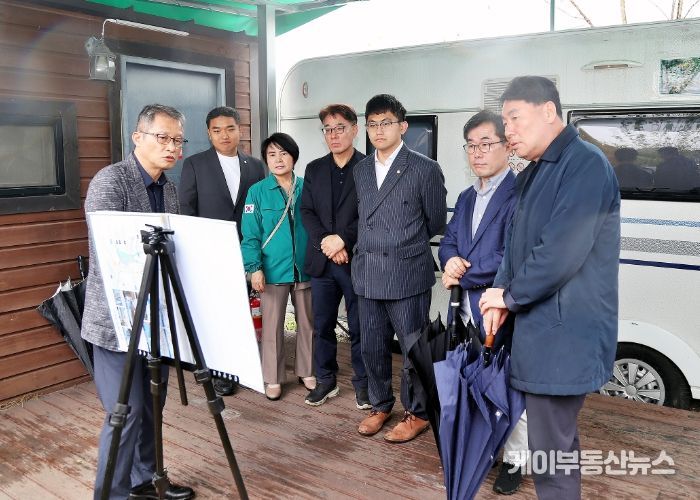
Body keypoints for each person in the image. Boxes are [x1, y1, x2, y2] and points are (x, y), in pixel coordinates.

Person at [479, 76, 620, 500]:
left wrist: (509, 296)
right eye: (505, 121)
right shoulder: (536, 172)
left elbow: (561, 251)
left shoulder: (585, 165)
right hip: (541, 332)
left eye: (514, 117)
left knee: (551, 454)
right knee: (553, 444)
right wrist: (500, 294)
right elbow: (516, 247)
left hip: (564, 335)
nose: (507, 130)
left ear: (548, 111)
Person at [82, 104, 195, 500]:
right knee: (123, 413)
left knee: (151, 407)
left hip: (156, 319)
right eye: (163, 137)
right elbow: (111, 252)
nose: (172, 147)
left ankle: (143, 481)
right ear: (137, 138)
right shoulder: (110, 181)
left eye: (178, 140)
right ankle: (111, 494)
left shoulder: (169, 188)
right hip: (116, 322)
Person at [437, 109, 527, 495]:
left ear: (508, 146)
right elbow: (449, 241)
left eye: (486, 143)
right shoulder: (465, 196)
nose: (478, 152)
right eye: (471, 145)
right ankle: (484, 446)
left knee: (509, 383)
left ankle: (515, 460)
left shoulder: (521, 195)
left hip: (502, 308)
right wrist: (448, 261)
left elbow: (512, 257)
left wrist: (461, 273)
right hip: (464, 309)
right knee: (473, 379)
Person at [352, 94, 447, 443]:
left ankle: (417, 413)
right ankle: (380, 404)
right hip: (367, 272)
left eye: (386, 123)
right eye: (372, 124)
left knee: (412, 349)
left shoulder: (424, 168)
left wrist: (402, 242)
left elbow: (435, 221)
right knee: (371, 346)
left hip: (406, 272)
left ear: (403, 126)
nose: (378, 130)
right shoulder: (361, 170)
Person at [179, 106, 265, 397]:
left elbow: (260, 210)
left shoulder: (255, 166)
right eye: (217, 130)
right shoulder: (195, 164)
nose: (224, 135)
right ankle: (218, 372)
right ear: (209, 133)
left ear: (240, 130)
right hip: (209, 251)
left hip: (245, 250)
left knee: (241, 311)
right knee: (213, 314)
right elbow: (186, 211)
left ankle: (241, 364)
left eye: (230, 128)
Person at [300, 104, 369, 408]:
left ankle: (363, 384)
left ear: (355, 129)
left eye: (340, 128)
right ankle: (326, 380)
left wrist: (343, 241)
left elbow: (369, 214)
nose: (334, 134)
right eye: (328, 129)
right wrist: (328, 243)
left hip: (355, 261)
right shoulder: (314, 168)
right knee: (322, 326)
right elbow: (307, 211)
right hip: (322, 262)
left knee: (360, 326)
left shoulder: (368, 168)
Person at [241, 132, 315, 401]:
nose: (278, 159)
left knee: (308, 323)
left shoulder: (308, 187)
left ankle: (307, 370)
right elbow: (250, 235)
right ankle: (272, 376)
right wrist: (254, 268)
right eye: (272, 154)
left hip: (305, 268)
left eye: (283, 153)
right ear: (266, 160)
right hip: (271, 270)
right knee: (272, 326)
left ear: (293, 157)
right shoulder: (257, 192)